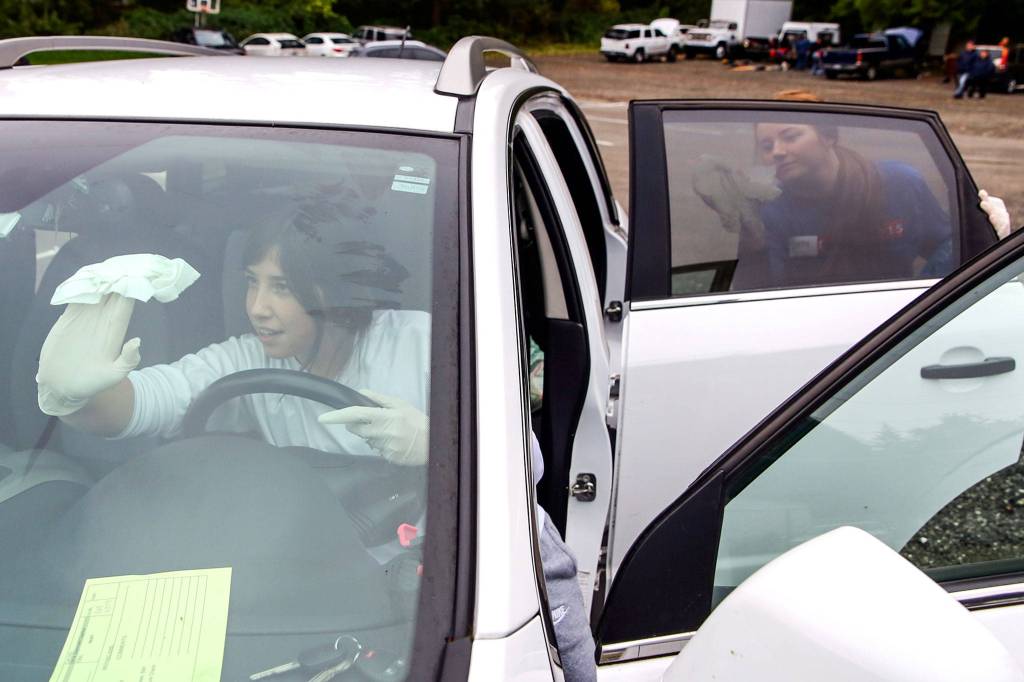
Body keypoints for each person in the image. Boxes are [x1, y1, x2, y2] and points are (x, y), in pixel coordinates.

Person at [36, 201, 430, 464]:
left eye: (282, 287)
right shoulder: (247, 359)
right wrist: (72, 397)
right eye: (251, 282)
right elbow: (152, 400)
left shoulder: (423, 346)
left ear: (337, 291)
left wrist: (438, 448)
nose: (257, 308)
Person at [694, 90, 1014, 289]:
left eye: (790, 137)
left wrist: (984, 238)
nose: (776, 151)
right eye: (766, 145)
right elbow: (766, 293)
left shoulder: (898, 183)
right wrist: (754, 244)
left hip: (897, 328)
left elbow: (946, 248)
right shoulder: (770, 210)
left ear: (829, 137)